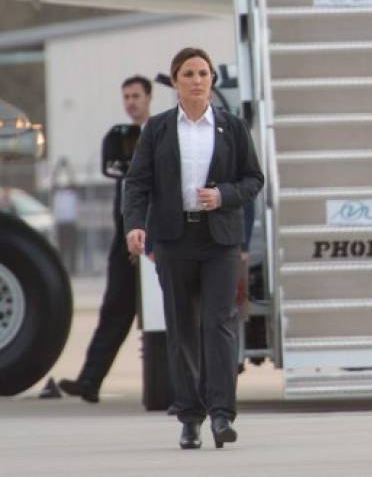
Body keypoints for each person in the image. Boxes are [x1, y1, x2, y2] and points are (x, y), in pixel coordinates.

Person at [123, 48, 263, 450]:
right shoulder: (159, 129)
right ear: (176, 80)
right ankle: (190, 417)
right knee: (182, 327)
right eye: (189, 73)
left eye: (204, 73)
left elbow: (254, 180)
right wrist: (135, 225)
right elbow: (137, 183)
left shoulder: (232, 127)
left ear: (211, 81)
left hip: (220, 239)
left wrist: (224, 195)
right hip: (173, 239)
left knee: (218, 325)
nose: (198, 80)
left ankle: (222, 415)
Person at [59, 76, 153, 403]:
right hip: (124, 239)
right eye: (126, 96)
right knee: (114, 310)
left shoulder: (162, 133)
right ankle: (90, 380)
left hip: (155, 238)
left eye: (136, 96)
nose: (131, 102)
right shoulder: (119, 138)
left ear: (149, 98)